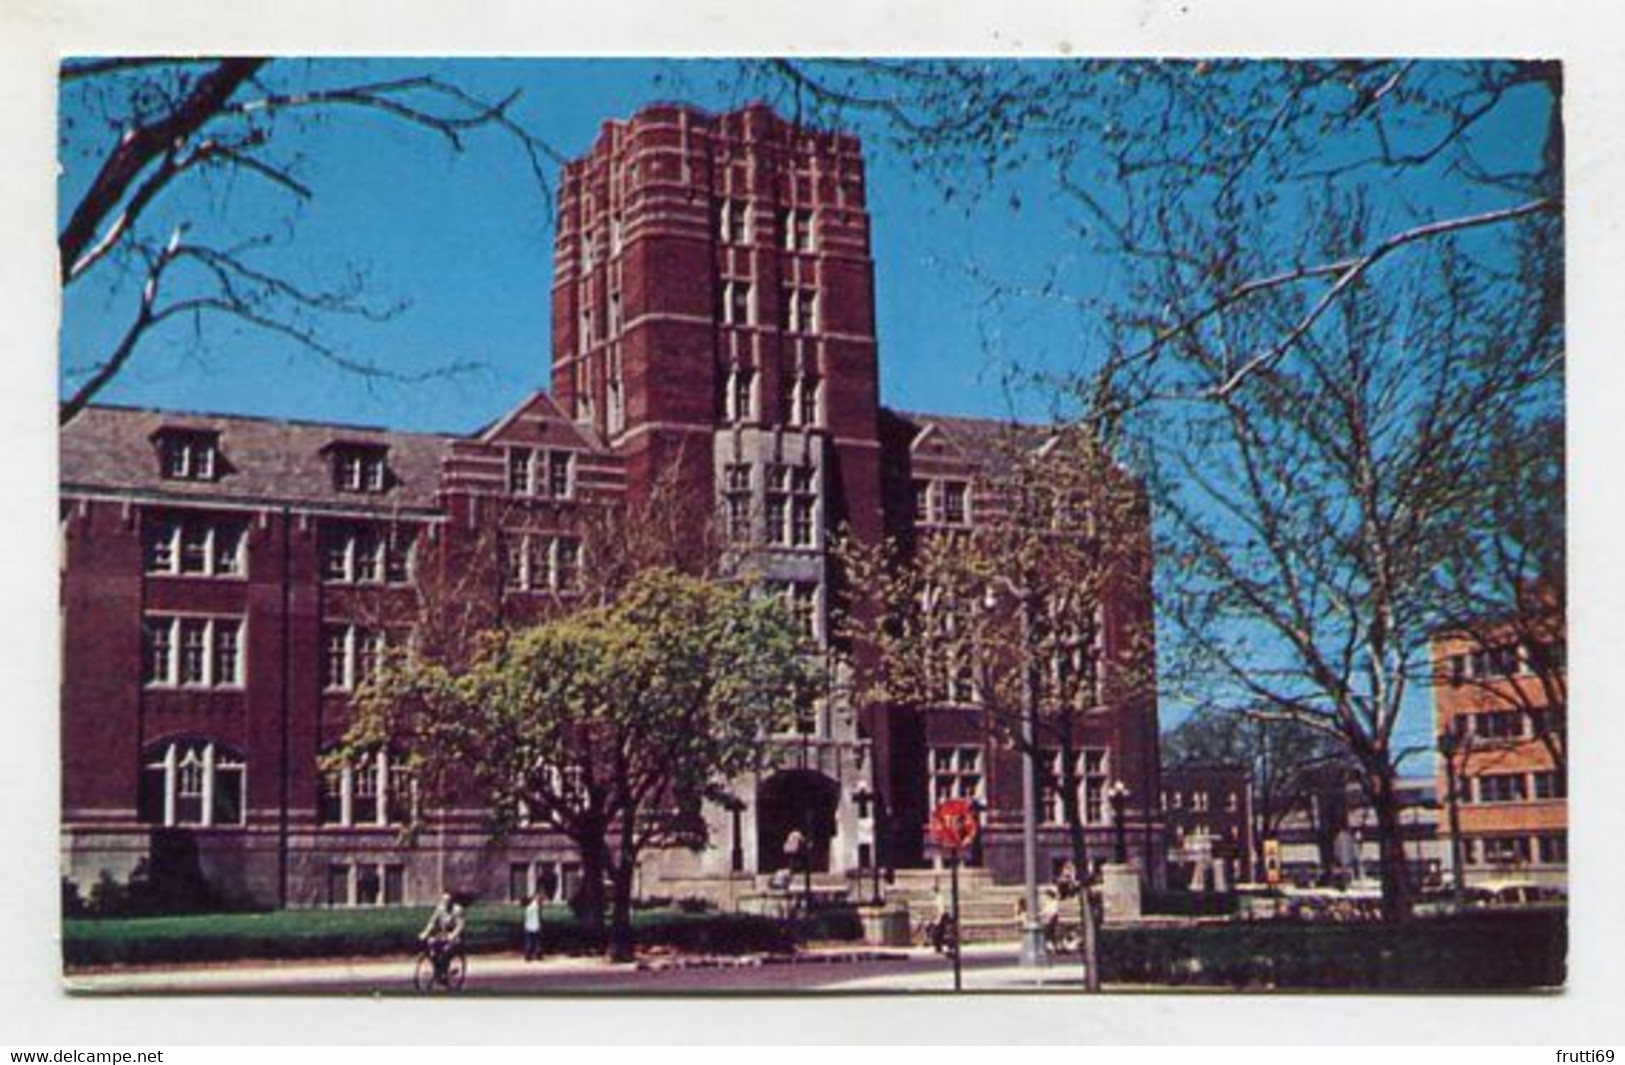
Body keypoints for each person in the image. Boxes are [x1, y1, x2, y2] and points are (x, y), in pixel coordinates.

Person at [420, 891, 466, 979]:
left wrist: (452, 935)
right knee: (431, 944)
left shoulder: (457, 910)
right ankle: (437, 969)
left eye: (447, 901)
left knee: (446, 950)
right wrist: (425, 932)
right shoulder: (440, 908)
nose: (445, 903)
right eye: (443, 900)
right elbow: (432, 922)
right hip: (443, 935)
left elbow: (460, 926)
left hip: (455, 937)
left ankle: (445, 971)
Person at [521, 893, 543, 962]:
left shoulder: (529, 907)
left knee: (530, 942)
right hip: (535, 926)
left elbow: (527, 918)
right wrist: (539, 925)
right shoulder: (536, 907)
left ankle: (528, 956)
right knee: (536, 942)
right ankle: (537, 955)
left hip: (529, 926)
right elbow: (536, 918)